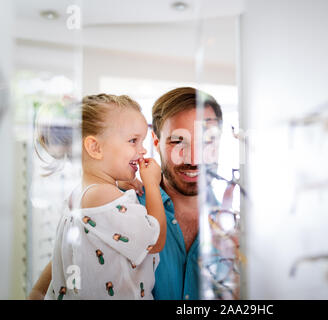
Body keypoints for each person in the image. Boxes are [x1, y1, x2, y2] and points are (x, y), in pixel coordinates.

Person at [28, 87, 223, 300]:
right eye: (178, 141)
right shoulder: (119, 202)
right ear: (156, 143)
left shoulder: (237, 223)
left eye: (207, 141)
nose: (194, 158)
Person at [35, 94, 166, 299]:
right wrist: (152, 186)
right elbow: (155, 241)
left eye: (142, 141)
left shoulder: (81, 195)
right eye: (133, 141)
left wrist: (117, 183)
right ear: (95, 148)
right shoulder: (104, 197)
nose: (142, 150)